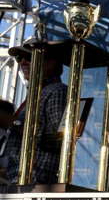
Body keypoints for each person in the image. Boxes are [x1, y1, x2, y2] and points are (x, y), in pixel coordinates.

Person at [3, 44, 67, 185]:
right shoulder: (35, 94)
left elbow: (58, 139)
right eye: (20, 58)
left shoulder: (57, 91)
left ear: (51, 63)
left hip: (36, 182)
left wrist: (13, 122)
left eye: (30, 57)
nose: (22, 62)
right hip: (20, 180)